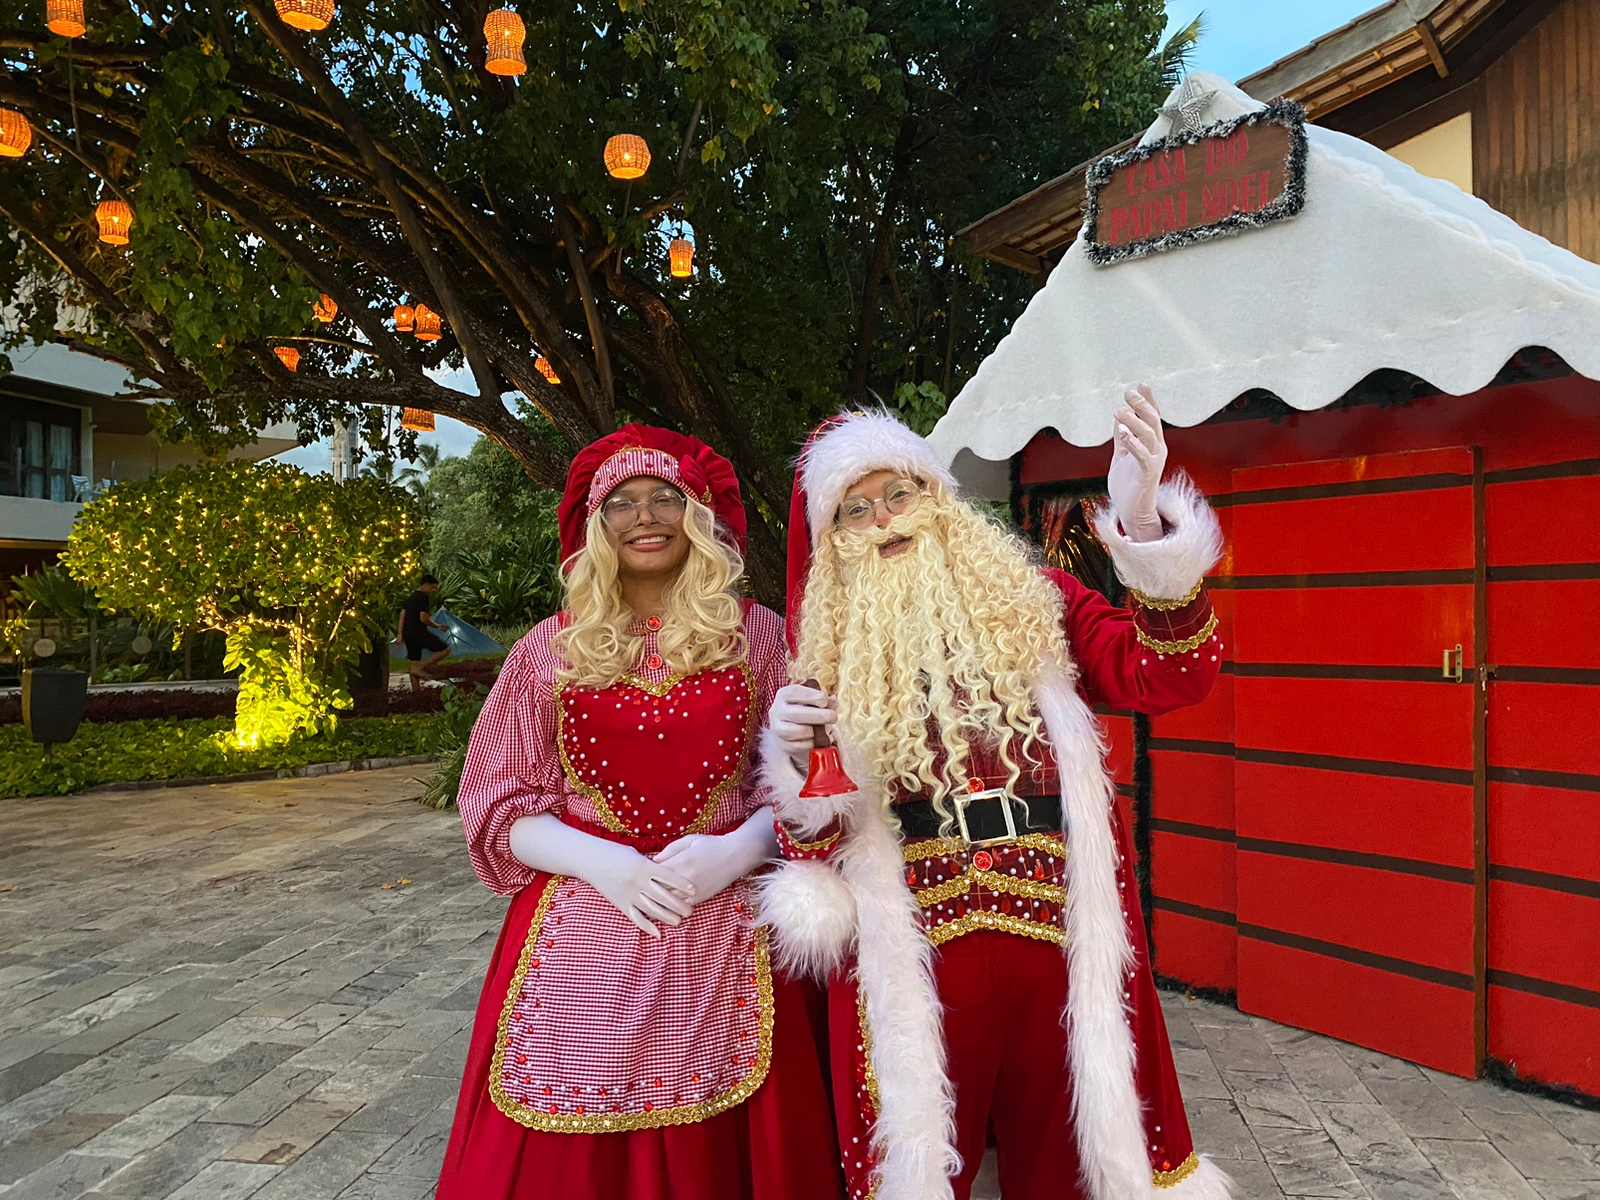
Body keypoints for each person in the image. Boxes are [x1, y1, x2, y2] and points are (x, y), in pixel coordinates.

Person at [755, 392, 1234, 1200]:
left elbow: (1171, 672)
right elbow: (810, 861)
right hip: (914, 969)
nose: (884, 521)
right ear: (832, 543)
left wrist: (1144, 523)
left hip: (1058, 951)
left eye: (897, 494)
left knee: (1072, 1175)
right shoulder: (823, 667)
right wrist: (797, 766)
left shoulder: (1039, 600)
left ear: (936, 498)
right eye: (856, 511)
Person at [436, 425, 845, 1200]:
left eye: (666, 496)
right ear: (594, 525)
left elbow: (814, 777)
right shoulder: (546, 650)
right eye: (620, 502)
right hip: (582, 913)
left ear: (699, 515)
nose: (645, 515)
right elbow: (495, 799)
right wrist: (605, 862)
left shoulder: (760, 636)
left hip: (729, 916)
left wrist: (742, 848)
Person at [398, 574, 451, 692]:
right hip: (418, 632)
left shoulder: (410, 598)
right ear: (425, 585)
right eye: (432, 588)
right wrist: (438, 626)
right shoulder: (423, 598)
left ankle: (416, 693)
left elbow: (402, 615)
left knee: (414, 663)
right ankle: (423, 667)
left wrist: (400, 634)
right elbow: (423, 618)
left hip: (408, 633)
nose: (434, 591)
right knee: (445, 650)